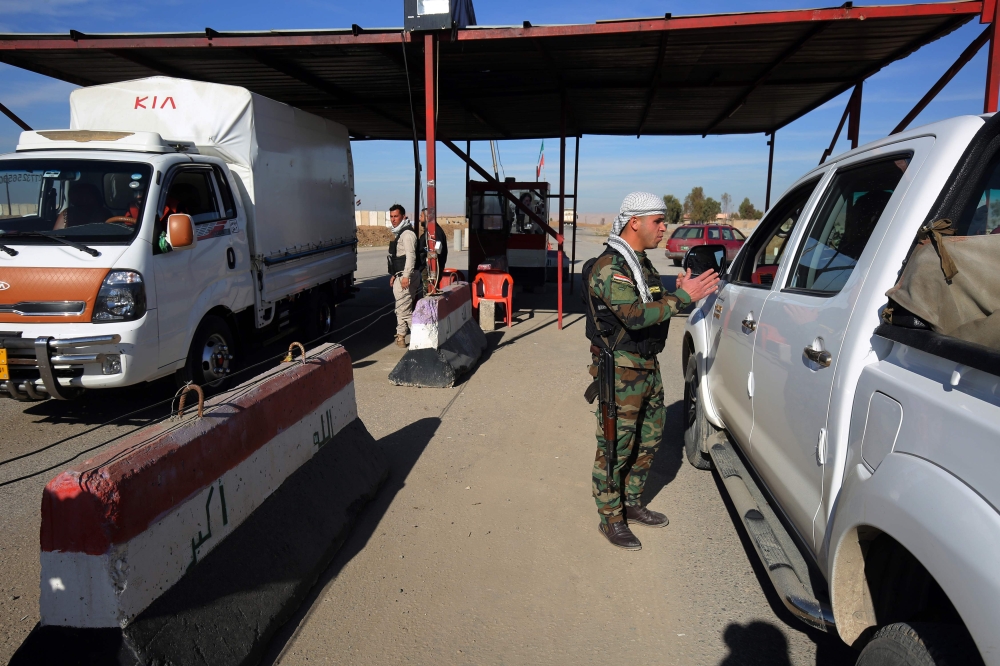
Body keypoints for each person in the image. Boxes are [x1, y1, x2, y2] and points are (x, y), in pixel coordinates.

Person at [584, 191, 720, 550]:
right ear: (635, 222)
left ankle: (631, 503)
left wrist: (678, 288)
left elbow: (653, 299)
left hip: (647, 366)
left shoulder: (640, 264)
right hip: (622, 370)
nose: (665, 228)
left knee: (649, 439)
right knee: (616, 445)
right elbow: (635, 315)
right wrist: (684, 297)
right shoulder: (610, 267)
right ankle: (610, 517)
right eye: (658, 221)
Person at [387, 204, 421, 348]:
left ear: (403, 217)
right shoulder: (400, 233)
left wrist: (406, 276)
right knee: (401, 308)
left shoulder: (407, 234)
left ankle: (421, 339)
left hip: (406, 277)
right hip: (400, 276)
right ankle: (400, 337)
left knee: (404, 311)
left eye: (396, 216)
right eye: (391, 217)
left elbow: (411, 256)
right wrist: (395, 274)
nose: (393, 219)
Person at [418, 207, 448, 290]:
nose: (420, 219)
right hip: (427, 268)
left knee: (429, 294)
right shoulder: (429, 231)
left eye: (421, 216)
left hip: (431, 270)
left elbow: (437, 251)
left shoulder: (435, 232)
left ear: (427, 217)